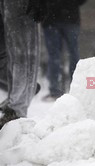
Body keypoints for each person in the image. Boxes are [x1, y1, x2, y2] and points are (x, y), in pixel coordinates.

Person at [0, 0, 43, 129]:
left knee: (21, 52)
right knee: (9, 52)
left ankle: (16, 109)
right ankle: (21, 93)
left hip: (21, 5)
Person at [41, 0, 87, 101]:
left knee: (55, 56)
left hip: (50, 18)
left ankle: (55, 91)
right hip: (70, 17)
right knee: (73, 54)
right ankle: (76, 89)